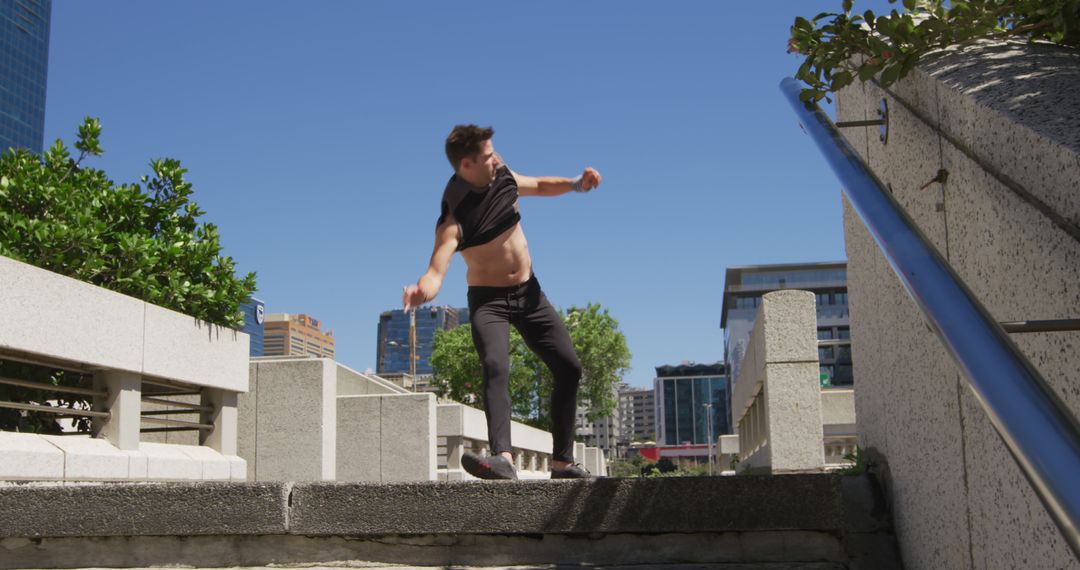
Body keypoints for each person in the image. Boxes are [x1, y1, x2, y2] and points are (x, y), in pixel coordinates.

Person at [403, 124, 601, 480]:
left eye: (494, 151)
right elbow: (436, 268)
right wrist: (421, 290)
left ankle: (562, 463)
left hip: (530, 294)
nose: (496, 158)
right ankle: (503, 458)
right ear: (466, 165)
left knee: (569, 368)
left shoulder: (503, 174)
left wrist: (575, 184)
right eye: (487, 156)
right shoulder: (455, 216)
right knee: (496, 367)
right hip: (489, 301)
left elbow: (538, 185)